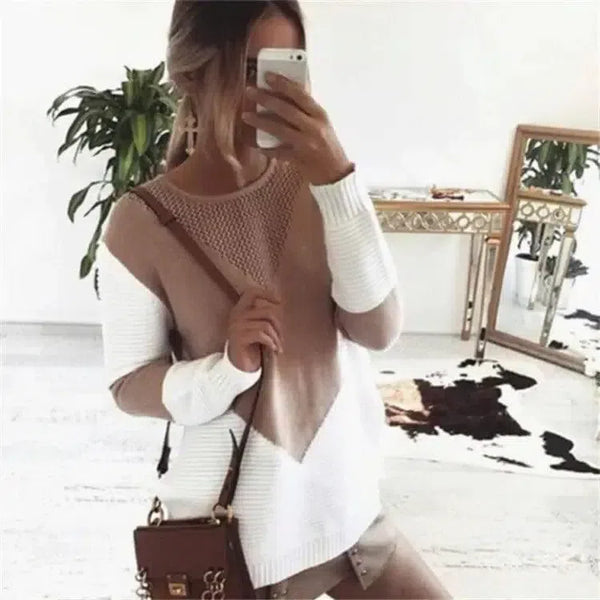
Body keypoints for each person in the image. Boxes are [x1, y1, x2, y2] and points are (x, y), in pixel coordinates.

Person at [98, 1, 452, 598]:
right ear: (190, 73)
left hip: (345, 508)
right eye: (248, 70)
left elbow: (377, 328)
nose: (271, 92)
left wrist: (338, 181)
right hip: (237, 540)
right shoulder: (141, 222)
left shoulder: (323, 185)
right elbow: (129, 385)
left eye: (285, 64)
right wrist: (226, 370)